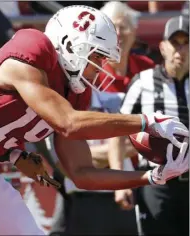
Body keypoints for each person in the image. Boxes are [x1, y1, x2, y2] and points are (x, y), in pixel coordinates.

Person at [0, 5, 189, 235]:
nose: (101, 67)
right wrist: (146, 121)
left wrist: (150, 177)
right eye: (97, 57)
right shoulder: (32, 49)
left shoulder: (75, 92)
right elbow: (68, 123)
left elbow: (82, 173)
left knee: (29, 232)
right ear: (72, 47)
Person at [110, 15, 189, 236]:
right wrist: (120, 181)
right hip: (157, 182)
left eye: (186, 43)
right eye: (175, 43)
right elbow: (116, 132)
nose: (180, 50)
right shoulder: (142, 82)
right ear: (162, 47)